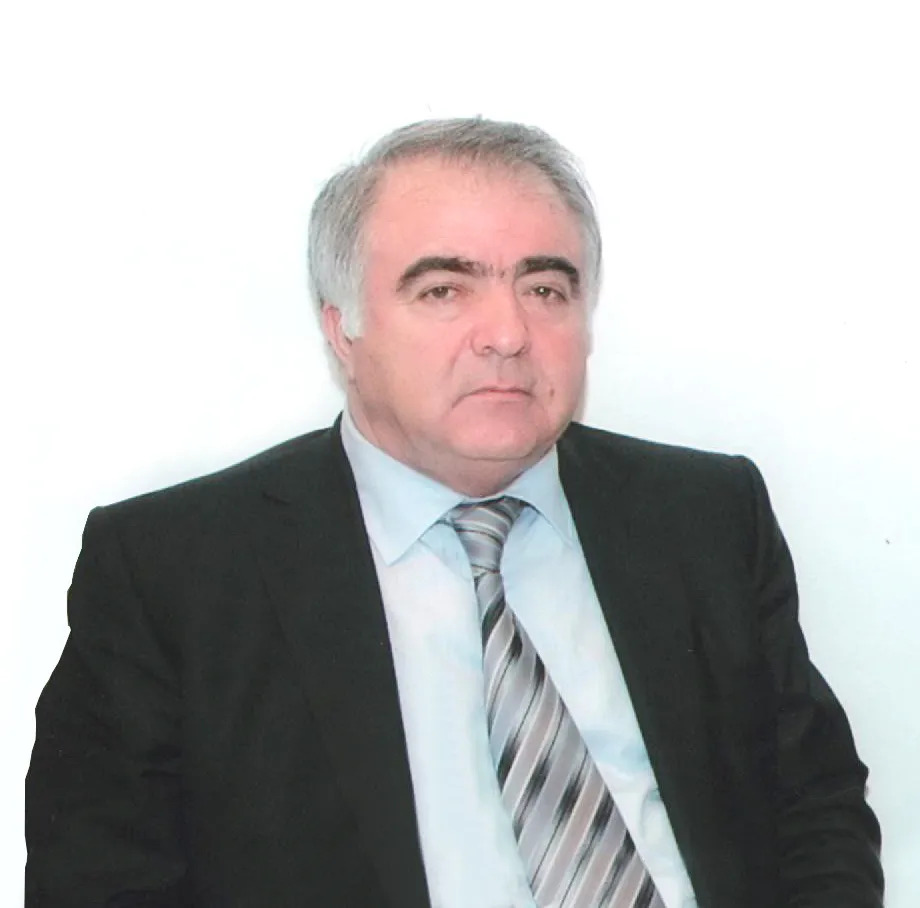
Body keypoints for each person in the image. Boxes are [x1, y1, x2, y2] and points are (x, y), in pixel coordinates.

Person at [26, 119, 883, 907]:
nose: (507, 332)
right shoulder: (172, 572)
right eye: (443, 290)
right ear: (343, 329)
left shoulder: (704, 516)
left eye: (545, 288)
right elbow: (99, 884)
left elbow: (816, 806)